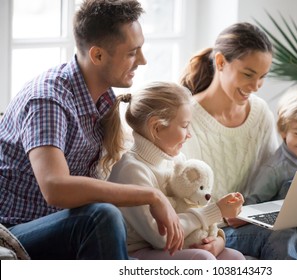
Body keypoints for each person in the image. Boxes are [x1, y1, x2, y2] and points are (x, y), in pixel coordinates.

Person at [0, 0, 183, 260]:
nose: (143, 60)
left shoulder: (103, 99)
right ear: (97, 55)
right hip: (13, 231)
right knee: (102, 215)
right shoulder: (48, 100)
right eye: (132, 52)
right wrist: (151, 196)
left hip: (62, 226)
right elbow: (56, 187)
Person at [180, 22, 297, 259]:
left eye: (262, 77)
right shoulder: (186, 119)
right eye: (248, 75)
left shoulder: (260, 112)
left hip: (253, 217)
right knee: (280, 232)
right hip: (217, 229)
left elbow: (277, 174)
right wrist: (219, 229)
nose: (255, 87)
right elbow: (181, 200)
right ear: (220, 62)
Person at [104, 81, 245, 260]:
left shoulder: (176, 160)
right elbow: (162, 238)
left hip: (176, 243)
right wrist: (216, 212)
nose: (189, 134)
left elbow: (192, 204)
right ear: (156, 128)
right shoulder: (132, 171)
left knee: (236, 258)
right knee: (202, 260)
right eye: (185, 125)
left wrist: (217, 240)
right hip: (138, 251)